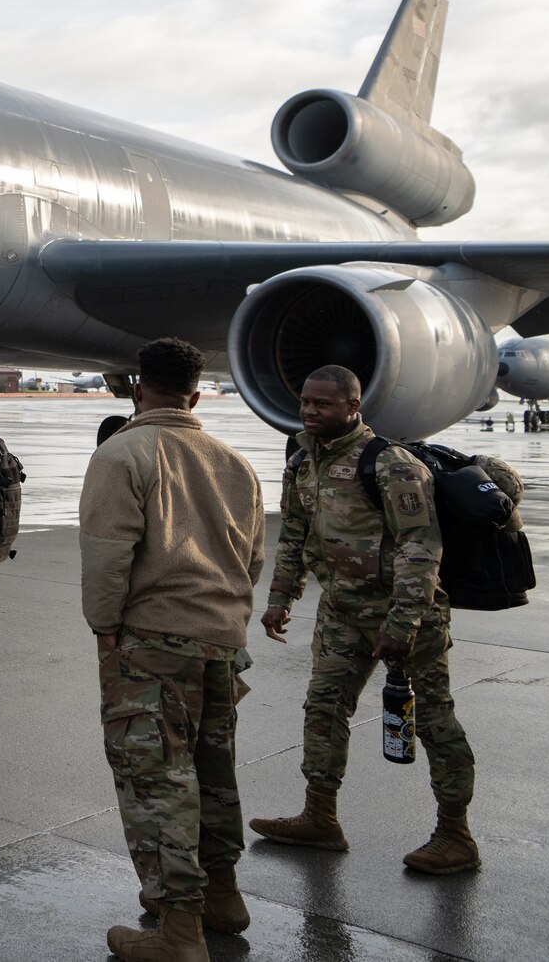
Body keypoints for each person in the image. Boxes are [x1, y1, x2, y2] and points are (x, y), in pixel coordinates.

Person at [249, 364, 479, 875]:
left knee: (436, 721)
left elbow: (422, 546)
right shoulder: (302, 461)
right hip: (342, 612)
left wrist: (403, 623)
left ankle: (456, 833)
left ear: (353, 407)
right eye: (305, 402)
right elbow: (293, 535)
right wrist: (281, 597)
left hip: (407, 616)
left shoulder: (390, 464)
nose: (309, 411)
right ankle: (320, 817)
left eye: (322, 404)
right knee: (323, 707)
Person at [80, 338, 265, 960]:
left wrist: (105, 627)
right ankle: (223, 896)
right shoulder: (233, 462)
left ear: (138, 390)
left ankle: (178, 929)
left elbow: (108, 555)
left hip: (154, 643)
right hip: (222, 640)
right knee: (213, 775)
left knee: (156, 778)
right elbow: (253, 558)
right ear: (195, 394)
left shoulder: (123, 453)